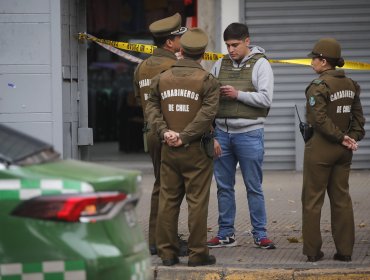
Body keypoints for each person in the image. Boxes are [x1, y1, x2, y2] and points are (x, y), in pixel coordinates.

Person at [146, 28, 220, 266]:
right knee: (197, 202)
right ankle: (198, 254)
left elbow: (151, 108)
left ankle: (167, 254)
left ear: (181, 50)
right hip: (196, 150)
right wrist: (185, 136)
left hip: (169, 147)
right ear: (203, 54)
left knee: (168, 200)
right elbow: (207, 115)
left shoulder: (163, 77)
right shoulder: (207, 81)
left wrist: (165, 132)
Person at [207, 22, 276, 249]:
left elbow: (266, 99)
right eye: (227, 45)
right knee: (224, 187)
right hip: (222, 134)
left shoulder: (261, 65)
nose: (231, 50)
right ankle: (226, 234)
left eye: (235, 45)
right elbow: (208, 99)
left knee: (253, 187)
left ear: (247, 41)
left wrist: (238, 95)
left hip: (249, 134)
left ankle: (260, 234)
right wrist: (212, 133)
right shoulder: (219, 64)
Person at [302, 38, 365, 262]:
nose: (311, 63)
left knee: (312, 201)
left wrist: (340, 137)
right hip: (343, 151)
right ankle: (345, 252)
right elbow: (358, 118)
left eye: (314, 59)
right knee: (341, 199)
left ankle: (312, 252)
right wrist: (351, 138)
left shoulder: (319, 86)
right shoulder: (351, 85)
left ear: (324, 61)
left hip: (320, 149)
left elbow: (317, 118)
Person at [132, 13, 188, 256]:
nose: (181, 42)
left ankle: (156, 239)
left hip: (151, 133)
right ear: (169, 43)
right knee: (172, 189)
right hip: (171, 134)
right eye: (179, 38)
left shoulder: (141, 67)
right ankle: (168, 240)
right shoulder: (174, 67)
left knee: (161, 185)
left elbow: (139, 101)